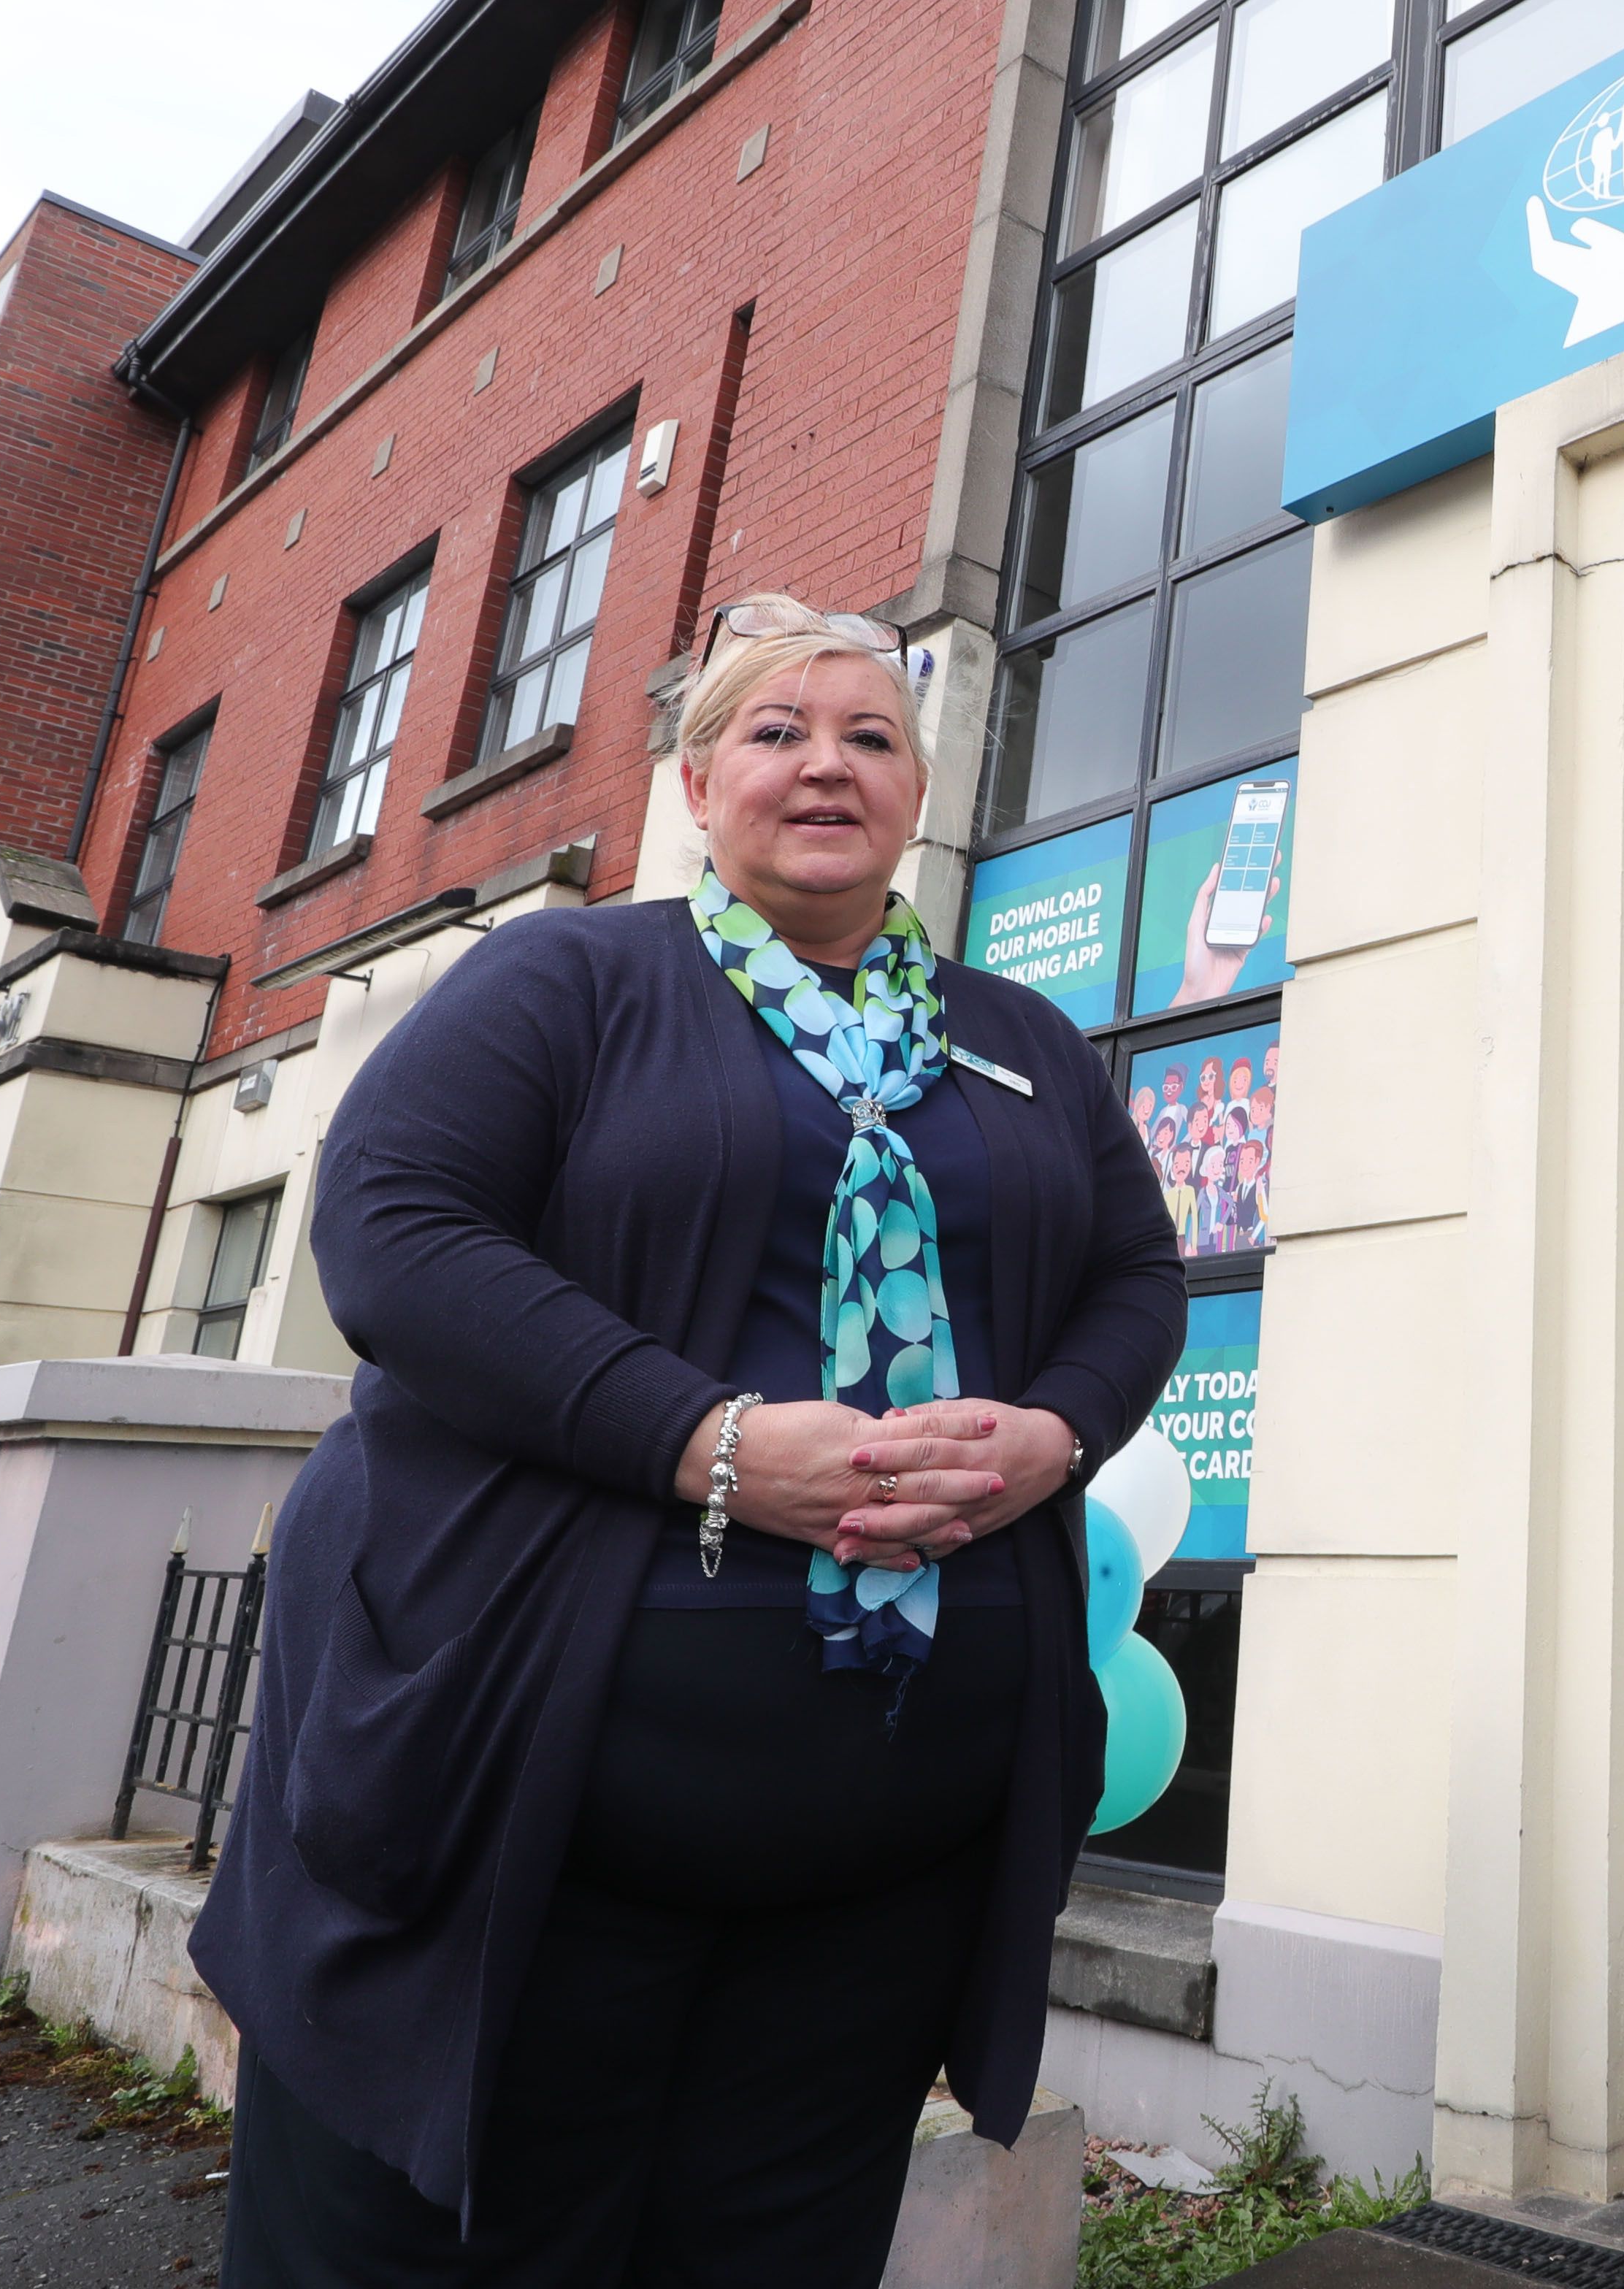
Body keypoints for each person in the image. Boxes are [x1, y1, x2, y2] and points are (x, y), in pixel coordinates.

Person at [197, 596, 1187, 2286]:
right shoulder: (567, 980)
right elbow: (394, 1227)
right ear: (695, 781)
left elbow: (1132, 1277)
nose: (825, 762)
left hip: (884, 1856)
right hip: (534, 1813)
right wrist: (706, 1438)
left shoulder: (1017, 1045)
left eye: (869, 735)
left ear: (918, 789)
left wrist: (1053, 1434)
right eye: (776, 730)